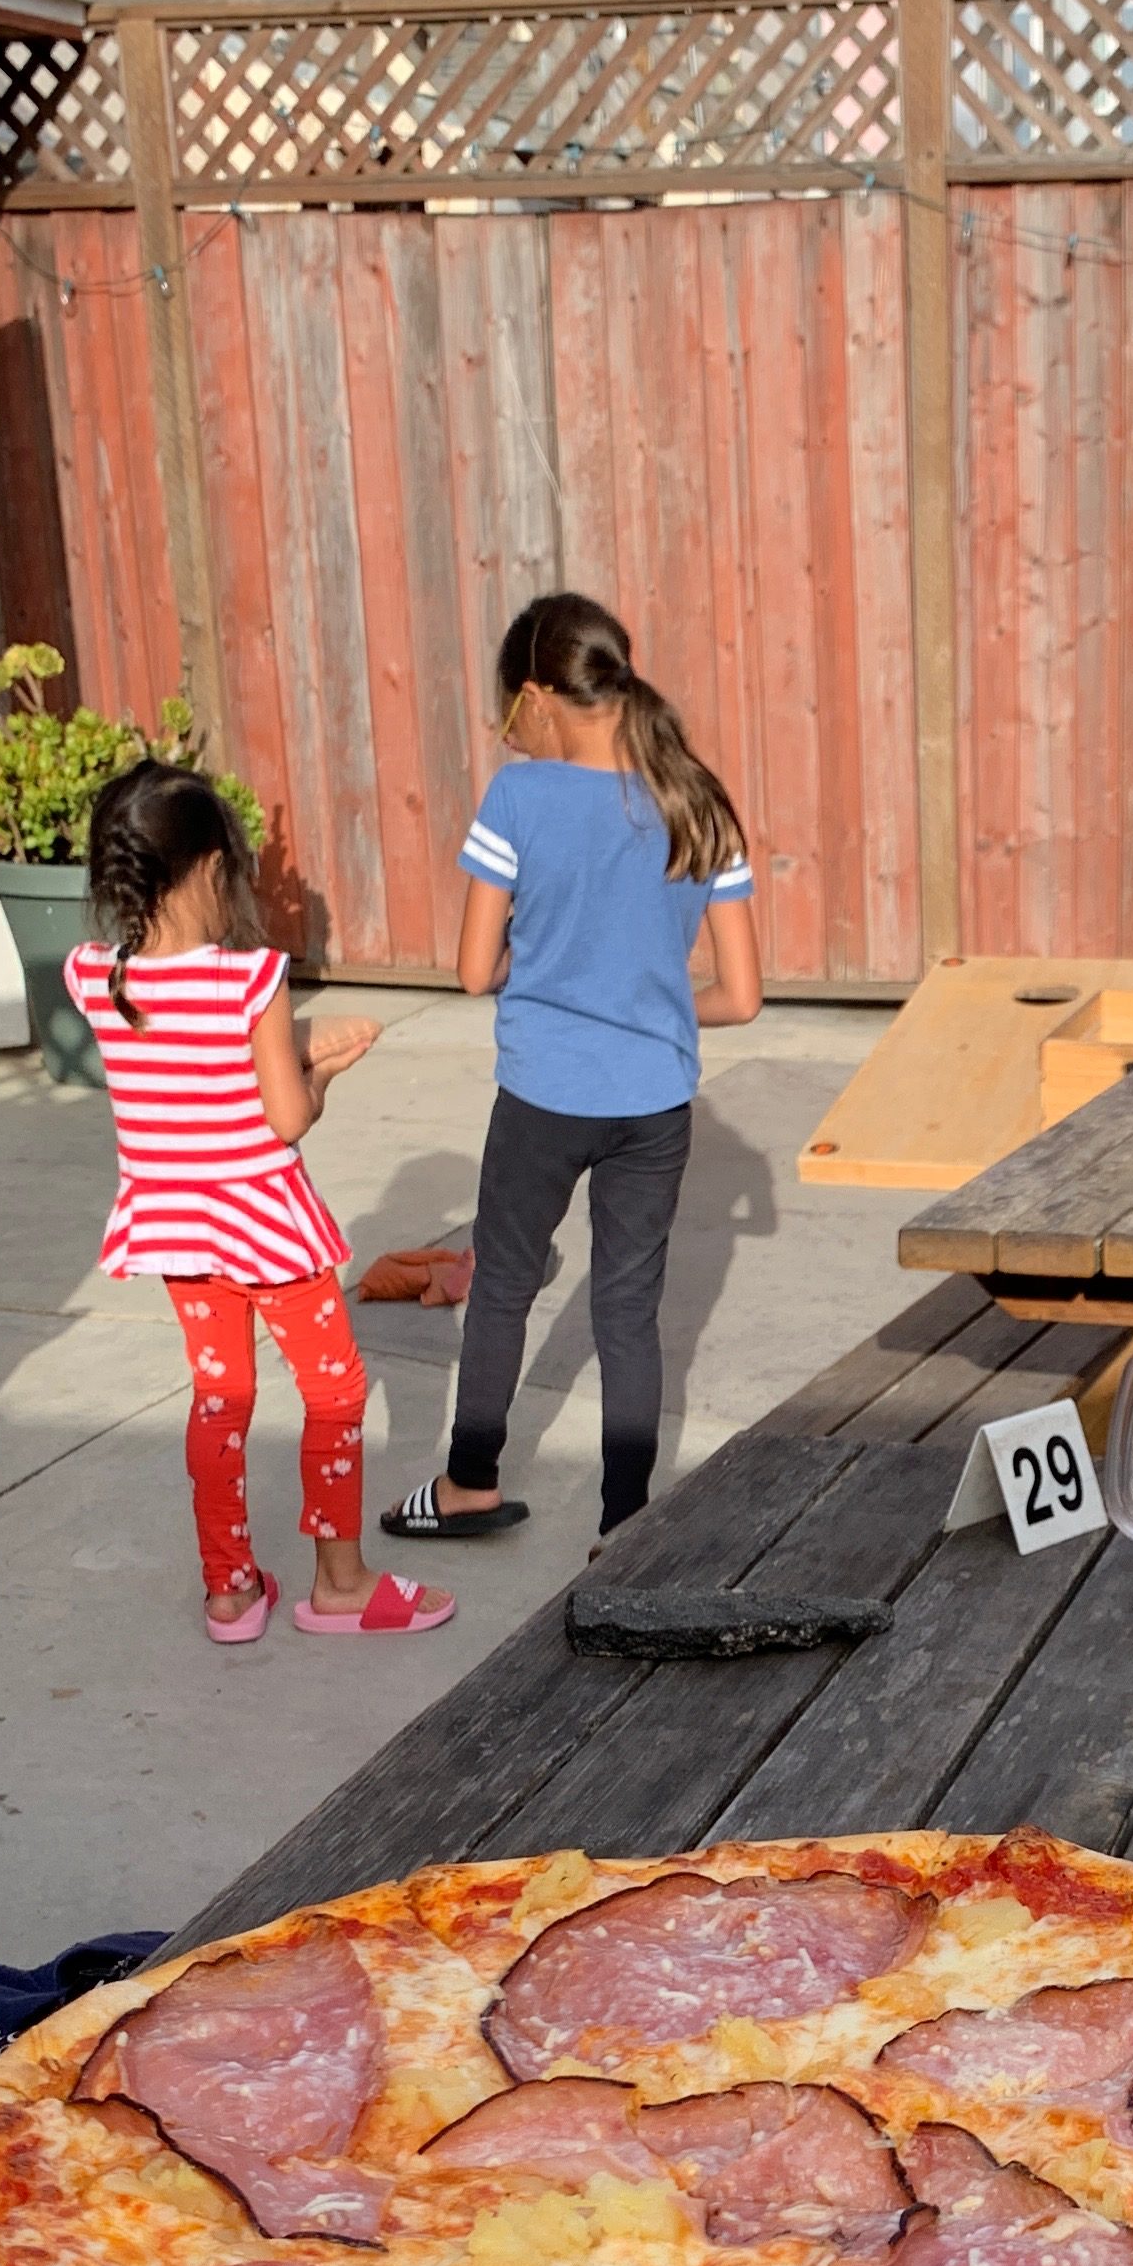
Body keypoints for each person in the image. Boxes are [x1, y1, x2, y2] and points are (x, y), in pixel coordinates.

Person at [383, 593, 763, 1554]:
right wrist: (650, 1001)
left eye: (512, 709)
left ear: (544, 697)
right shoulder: (699, 801)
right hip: (656, 1104)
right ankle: (624, 1529)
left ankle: (471, 1483)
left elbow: (475, 970)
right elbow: (743, 996)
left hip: (545, 1096)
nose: (512, 730)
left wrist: (553, 974)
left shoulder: (519, 798)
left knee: (504, 1285)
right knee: (628, 1311)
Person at [64, 762, 454, 1647]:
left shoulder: (94, 978)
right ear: (210, 870)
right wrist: (318, 1068)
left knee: (221, 1396)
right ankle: (342, 1584)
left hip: (178, 1230)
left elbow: (187, 1074)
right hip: (266, 1232)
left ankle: (231, 1590)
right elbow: (284, 1120)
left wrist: (295, 1048)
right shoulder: (252, 980)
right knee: (336, 1390)